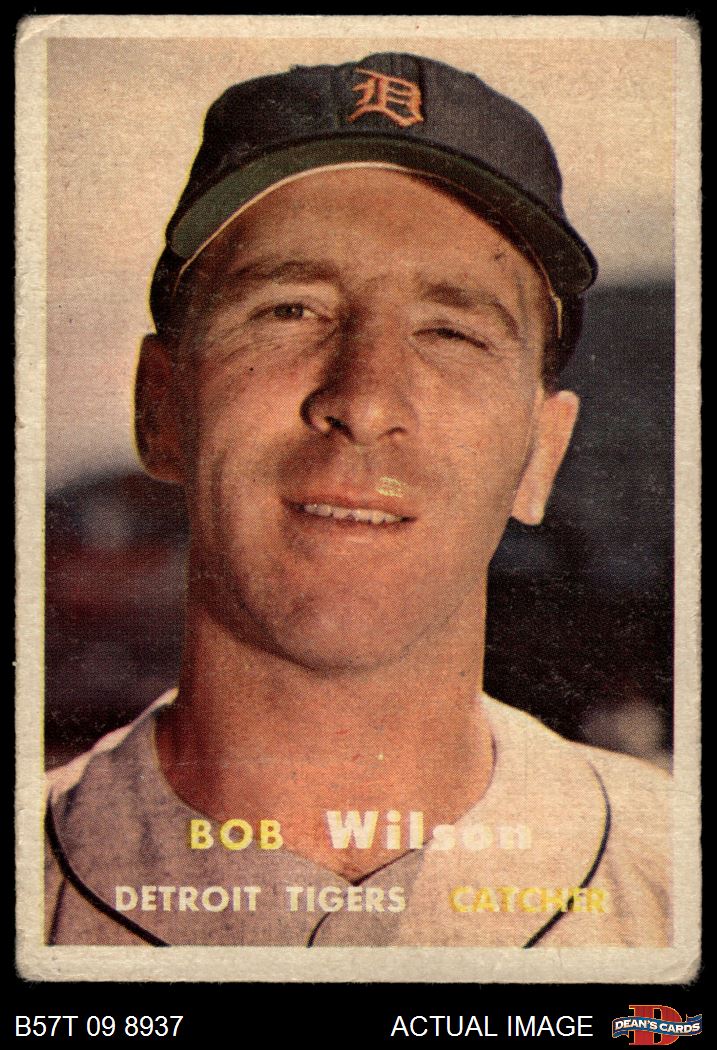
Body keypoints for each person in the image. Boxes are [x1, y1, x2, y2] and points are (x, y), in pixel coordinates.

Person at [45, 52, 670, 948]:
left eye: (450, 332)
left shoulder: (675, 881)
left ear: (542, 451)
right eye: (288, 310)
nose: (366, 399)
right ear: (162, 407)